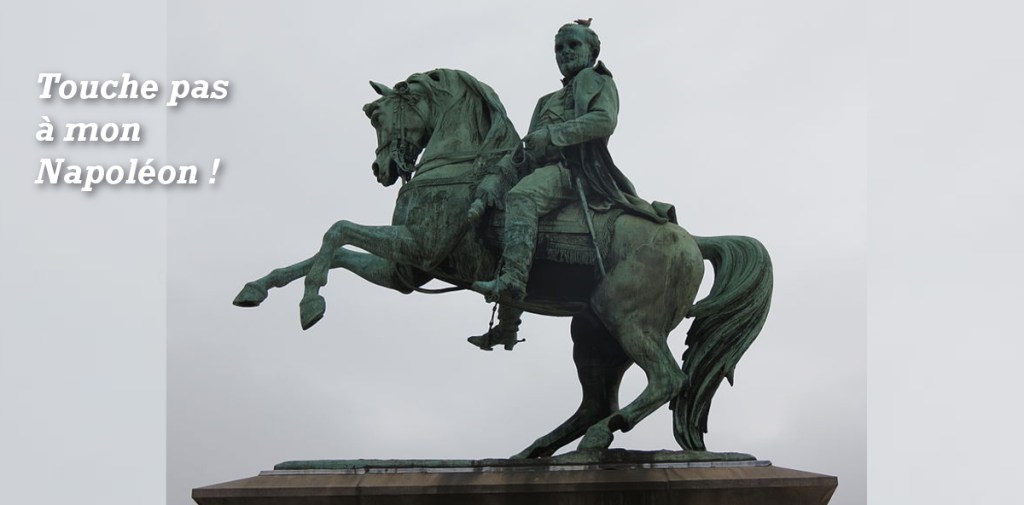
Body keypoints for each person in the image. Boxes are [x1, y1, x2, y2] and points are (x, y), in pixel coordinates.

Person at [472, 19, 667, 304]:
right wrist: (500, 173)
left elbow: (604, 120)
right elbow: (529, 150)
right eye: (559, 48)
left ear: (591, 51)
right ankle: (508, 323)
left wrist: (553, 134)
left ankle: (513, 279)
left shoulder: (599, 80)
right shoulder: (545, 100)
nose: (565, 52)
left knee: (522, 197)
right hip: (545, 169)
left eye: (573, 44)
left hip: (575, 171)